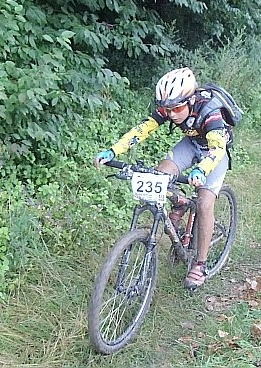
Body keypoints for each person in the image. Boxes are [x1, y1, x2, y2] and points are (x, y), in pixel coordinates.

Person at [94, 67, 233, 289]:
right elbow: (143, 129)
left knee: (205, 204)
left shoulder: (210, 111)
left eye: (177, 108)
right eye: (168, 109)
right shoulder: (170, 108)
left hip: (215, 153)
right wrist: (113, 151)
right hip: (191, 144)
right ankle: (180, 203)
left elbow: (217, 149)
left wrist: (202, 170)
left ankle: (200, 263)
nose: (172, 114)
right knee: (161, 174)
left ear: (190, 100)